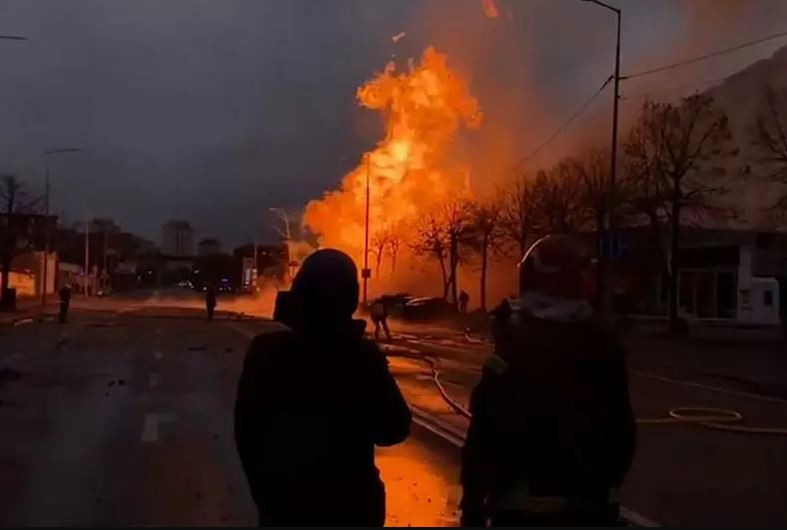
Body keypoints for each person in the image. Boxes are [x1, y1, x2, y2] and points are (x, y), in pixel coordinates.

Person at [460, 234, 636, 527]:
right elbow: (622, 436)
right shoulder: (604, 346)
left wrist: (473, 506)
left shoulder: (516, 348)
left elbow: (485, 434)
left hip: (521, 516)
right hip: (590, 514)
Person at [234, 249, 411, 526]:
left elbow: (247, 433)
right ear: (350, 299)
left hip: (287, 506)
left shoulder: (266, 353)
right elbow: (394, 429)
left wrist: (267, 496)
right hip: (352, 508)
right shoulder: (361, 358)